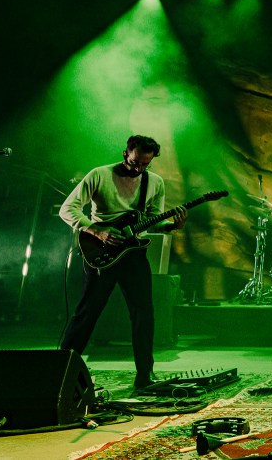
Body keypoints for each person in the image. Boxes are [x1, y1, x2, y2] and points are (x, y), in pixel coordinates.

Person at [59, 135, 187, 391]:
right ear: (125, 153)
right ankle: (60, 371)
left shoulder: (155, 182)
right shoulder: (99, 175)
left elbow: (152, 219)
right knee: (87, 313)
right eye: (134, 162)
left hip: (133, 255)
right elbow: (67, 209)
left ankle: (145, 375)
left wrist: (171, 226)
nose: (138, 168)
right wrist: (97, 231)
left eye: (145, 164)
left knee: (144, 313)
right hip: (101, 252)